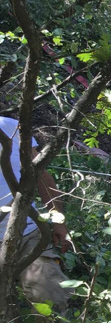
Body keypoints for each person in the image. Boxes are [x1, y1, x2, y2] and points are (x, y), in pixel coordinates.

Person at [0, 117, 71, 310]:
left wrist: (58, 222)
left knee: (49, 293)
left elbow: (40, 176)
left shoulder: (10, 128)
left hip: (25, 232)